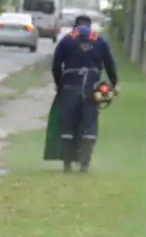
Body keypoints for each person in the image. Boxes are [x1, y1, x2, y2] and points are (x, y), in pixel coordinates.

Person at [44, 15, 118, 172]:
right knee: (89, 124)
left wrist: (59, 84)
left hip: (70, 87)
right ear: (89, 26)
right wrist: (114, 83)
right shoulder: (99, 40)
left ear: (75, 26)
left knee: (68, 124)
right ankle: (85, 163)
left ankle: (67, 164)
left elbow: (56, 65)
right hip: (92, 88)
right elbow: (109, 63)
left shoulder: (67, 40)